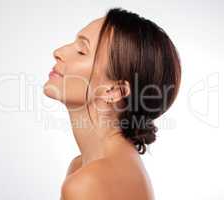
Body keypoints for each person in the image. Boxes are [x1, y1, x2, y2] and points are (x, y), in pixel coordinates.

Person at [43, 7, 181, 200]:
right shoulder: (85, 167)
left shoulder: (90, 182)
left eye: (82, 51)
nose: (58, 52)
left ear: (114, 90)